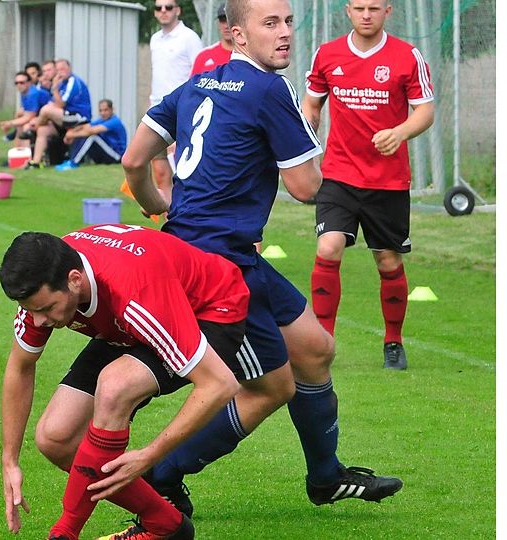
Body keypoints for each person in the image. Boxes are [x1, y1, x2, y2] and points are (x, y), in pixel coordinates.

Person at [110, 0, 403, 534]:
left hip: (230, 252)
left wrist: (159, 206)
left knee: (315, 348)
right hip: (216, 270)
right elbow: (305, 187)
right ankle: (164, 473)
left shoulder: (202, 81)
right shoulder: (271, 90)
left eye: (288, 22)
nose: (286, 33)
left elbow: (133, 161)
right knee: (271, 388)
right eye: (271, 24)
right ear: (238, 34)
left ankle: (325, 475)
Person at [0, 225, 251, 540]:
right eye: (31, 310)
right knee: (56, 437)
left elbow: (220, 384)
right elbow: (20, 368)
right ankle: (168, 526)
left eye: (46, 309)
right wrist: (10, 460)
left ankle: (64, 533)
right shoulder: (49, 276)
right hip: (127, 322)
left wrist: (151, 454)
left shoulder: (134, 293)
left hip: (209, 312)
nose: (39, 321)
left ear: (75, 280)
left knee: (115, 386)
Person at [302, 0, 435, 370]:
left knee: (387, 260)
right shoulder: (327, 55)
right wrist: (305, 137)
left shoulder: (407, 56)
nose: (366, 15)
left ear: (387, 11)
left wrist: (400, 132)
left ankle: (393, 341)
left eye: (373, 8)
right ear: (347, 11)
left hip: (388, 181)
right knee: (328, 247)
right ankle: (323, 344)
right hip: (339, 174)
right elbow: (312, 104)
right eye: (359, 8)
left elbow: (425, 110)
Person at [148, 1, 204, 207]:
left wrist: (187, 116)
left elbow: (198, 78)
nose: (163, 11)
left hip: (182, 112)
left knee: (182, 174)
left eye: (168, 7)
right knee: (160, 172)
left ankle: (186, 221)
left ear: (178, 10)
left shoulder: (189, 38)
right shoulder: (155, 39)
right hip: (157, 111)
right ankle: (168, 227)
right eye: (159, 7)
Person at [26, 59, 92, 169]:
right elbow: (53, 103)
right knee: (43, 129)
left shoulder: (73, 81)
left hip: (79, 118)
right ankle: (35, 162)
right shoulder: (61, 83)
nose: (61, 72)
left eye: (63, 69)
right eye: (59, 69)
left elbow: (60, 104)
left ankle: (32, 128)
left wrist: (54, 88)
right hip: (65, 117)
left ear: (69, 68)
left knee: (46, 110)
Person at [56, 99, 128, 171]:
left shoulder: (115, 121)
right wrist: (70, 133)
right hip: (106, 154)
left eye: (105, 110)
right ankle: (71, 159)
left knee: (92, 136)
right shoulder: (101, 120)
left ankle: (73, 163)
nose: (103, 113)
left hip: (116, 156)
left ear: (112, 109)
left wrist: (71, 135)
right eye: (100, 110)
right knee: (82, 134)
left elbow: (92, 131)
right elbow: (86, 126)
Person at [0, 72, 46, 149]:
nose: (19, 85)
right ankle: (17, 153)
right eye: (16, 83)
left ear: (29, 83)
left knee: (26, 127)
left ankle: (26, 157)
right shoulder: (24, 93)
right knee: (20, 119)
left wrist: (10, 123)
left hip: (48, 119)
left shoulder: (33, 93)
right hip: (39, 117)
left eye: (22, 82)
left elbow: (29, 117)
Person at [190, 3, 233, 76]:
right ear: (218, 24)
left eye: (230, 20)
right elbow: (192, 86)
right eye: (223, 21)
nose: (226, 26)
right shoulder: (204, 55)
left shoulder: (249, 56)